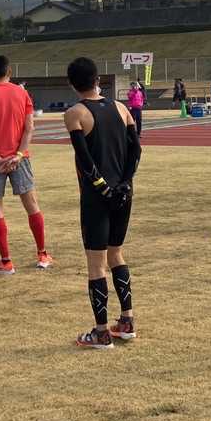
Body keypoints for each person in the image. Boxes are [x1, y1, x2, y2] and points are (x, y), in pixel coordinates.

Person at [64, 57, 143, 349]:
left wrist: (103, 187)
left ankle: (100, 332)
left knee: (96, 264)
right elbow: (136, 149)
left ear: (72, 84)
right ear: (98, 79)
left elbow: (85, 159)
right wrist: (124, 183)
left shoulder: (75, 113)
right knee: (116, 254)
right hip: (124, 193)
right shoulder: (122, 108)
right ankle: (127, 321)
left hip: (97, 197)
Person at [0, 54, 51, 275]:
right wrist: (18, 154)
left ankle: (6, 261)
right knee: (32, 204)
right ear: (9, 72)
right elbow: (29, 128)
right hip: (20, 158)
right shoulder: (21, 93)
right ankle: (42, 254)